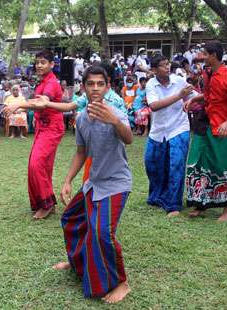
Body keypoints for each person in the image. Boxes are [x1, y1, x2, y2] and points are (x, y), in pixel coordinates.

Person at [53, 65, 133, 304]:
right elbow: (81, 151)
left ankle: (122, 282)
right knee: (71, 220)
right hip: (94, 182)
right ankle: (79, 261)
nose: (95, 88)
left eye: (100, 84)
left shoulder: (115, 111)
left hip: (117, 183)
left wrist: (114, 121)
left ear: (107, 87)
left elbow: (128, 138)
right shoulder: (83, 118)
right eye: (91, 84)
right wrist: (68, 180)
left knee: (101, 232)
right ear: (84, 87)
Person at [184, 41, 227, 222]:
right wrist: (194, 100)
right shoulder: (207, 73)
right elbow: (209, 97)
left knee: (223, 166)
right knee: (197, 162)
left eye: (204, 53)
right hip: (204, 124)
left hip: (222, 128)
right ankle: (200, 203)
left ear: (213, 55)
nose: (200, 56)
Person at [3, 50, 64, 219]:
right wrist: (20, 107)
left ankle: (46, 204)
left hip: (51, 128)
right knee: (42, 166)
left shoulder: (51, 83)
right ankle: (46, 202)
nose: (39, 65)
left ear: (52, 65)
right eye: (37, 62)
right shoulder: (43, 81)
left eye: (43, 62)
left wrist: (18, 105)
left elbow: (42, 103)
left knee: (36, 165)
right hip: (43, 127)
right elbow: (38, 104)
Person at [144, 55, 194, 217]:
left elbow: (192, 95)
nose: (167, 67)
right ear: (154, 70)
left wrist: (190, 100)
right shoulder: (151, 84)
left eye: (168, 64)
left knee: (176, 165)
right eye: (163, 65)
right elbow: (154, 106)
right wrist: (180, 96)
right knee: (153, 164)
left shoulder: (178, 81)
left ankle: (173, 205)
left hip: (179, 127)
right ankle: (158, 196)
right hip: (158, 131)